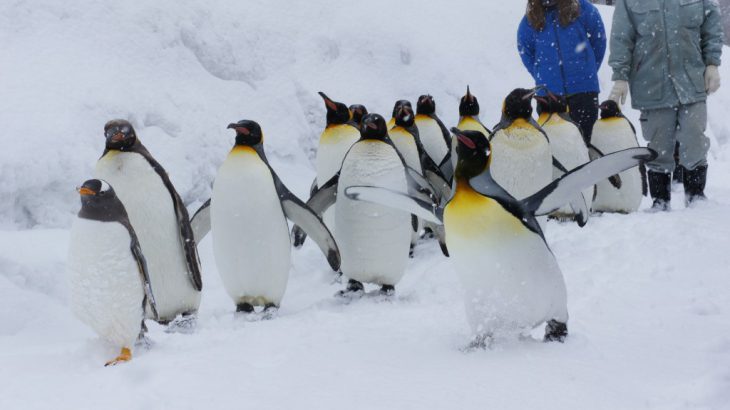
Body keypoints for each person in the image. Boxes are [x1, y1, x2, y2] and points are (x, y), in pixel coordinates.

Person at [608, 0, 722, 210]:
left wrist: (712, 63)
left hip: (692, 80)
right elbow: (621, 37)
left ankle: (695, 195)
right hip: (651, 83)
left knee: (694, 136)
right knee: (658, 142)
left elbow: (712, 25)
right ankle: (660, 200)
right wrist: (620, 76)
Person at [517, 0, 607, 143]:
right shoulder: (531, 19)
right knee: (556, 149)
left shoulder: (582, 9)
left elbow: (598, 41)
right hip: (549, 98)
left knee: (586, 144)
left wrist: (586, 70)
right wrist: (543, 77)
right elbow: (526, 52)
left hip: (583, 93)